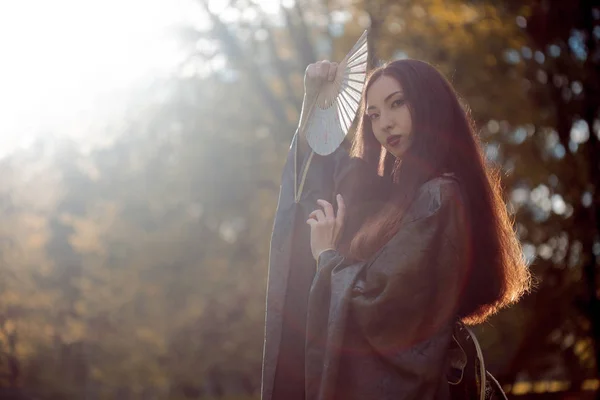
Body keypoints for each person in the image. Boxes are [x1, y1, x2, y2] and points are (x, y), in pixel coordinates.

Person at [261, 58, 532, 400]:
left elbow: (384, 307)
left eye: (397, 103)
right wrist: (313, 100)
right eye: (373, 114)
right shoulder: (395, 198)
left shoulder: (440, 196)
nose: (384, 124)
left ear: (428, 104)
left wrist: (327, 256)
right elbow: (314, 175)